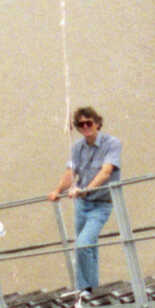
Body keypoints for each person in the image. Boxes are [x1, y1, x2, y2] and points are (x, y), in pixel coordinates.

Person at [47, 106, 122, 294]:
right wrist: (57, 191)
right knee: (87, 246)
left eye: (89, 122)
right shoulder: (77, 147)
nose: (86, 126)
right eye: (81, 124)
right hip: (82, 204)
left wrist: (86, 190)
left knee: (83, 245)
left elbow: (106, 171)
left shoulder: (112, 143)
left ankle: (84, 288)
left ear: (97, 123)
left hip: (101, 204)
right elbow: (70, 172)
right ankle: (90, 288)